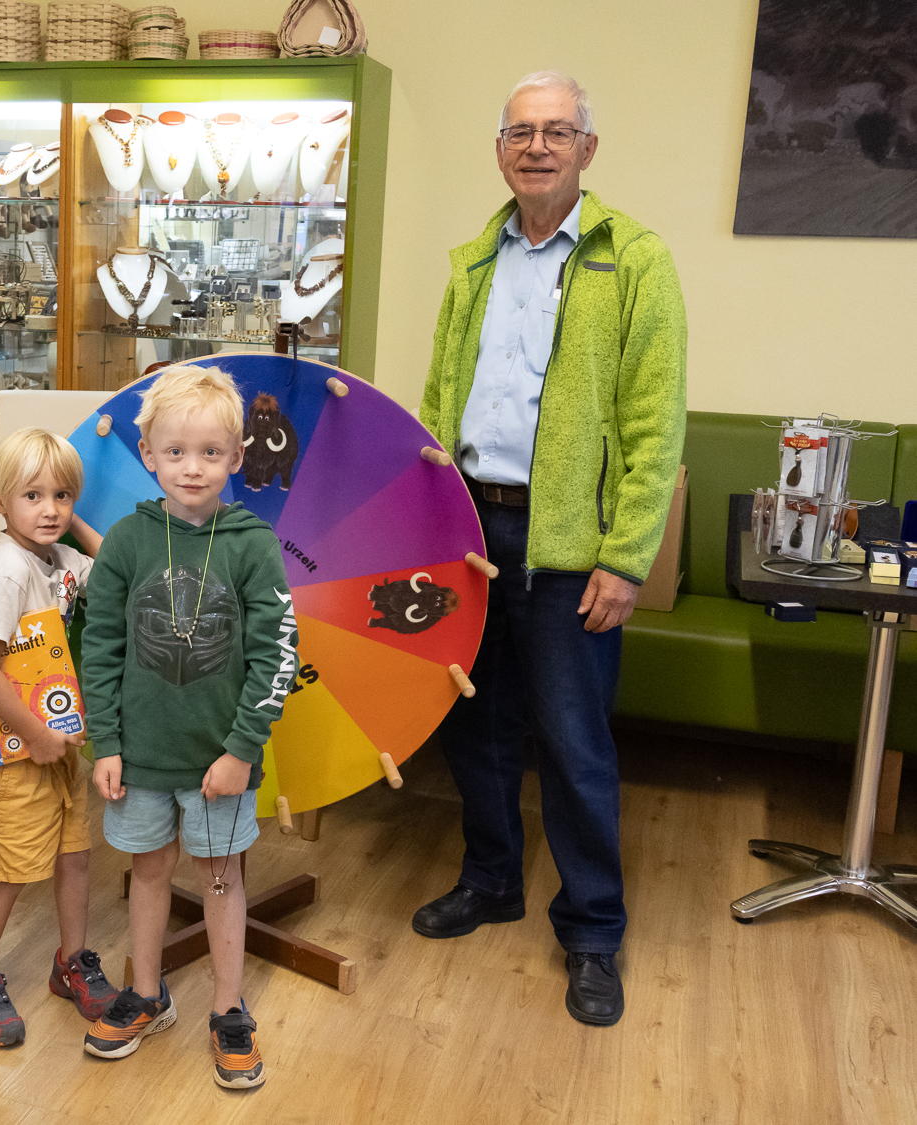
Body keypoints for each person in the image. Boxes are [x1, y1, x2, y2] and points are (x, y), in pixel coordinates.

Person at [414, 71, 687, 1027]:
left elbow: (655, 426)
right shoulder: (472, 261)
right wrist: (424, 523)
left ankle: (593, 932)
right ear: (500, 149)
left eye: (557, 131)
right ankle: (490, 879)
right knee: (473, 723)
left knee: (574, 743)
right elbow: (439, 406)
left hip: (572, 542)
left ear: (588, 150)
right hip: (466, 532)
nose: (537, 146)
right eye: (521, 132)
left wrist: (626, 556)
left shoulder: (636, 261)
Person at [81, 365, 296, 1090]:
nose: (193, 467)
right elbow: (100, 647)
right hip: (139, 757)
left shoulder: (253, 544)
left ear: (237, 457)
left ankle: (229, 1010)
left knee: (220, 878)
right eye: (176, 452)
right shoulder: (125, 543)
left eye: (210, 452)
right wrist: (105, 743)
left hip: (218, 764)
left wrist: (241, 750)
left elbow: (277, 655)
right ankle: (146, 991)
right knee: (147, 870)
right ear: (148, 454)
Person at [0, 427, 121, 1046]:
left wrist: (75, 526)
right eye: (32, 496)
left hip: (53, 742)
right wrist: (39, 734)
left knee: (74, 855)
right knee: (14, 868)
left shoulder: (59, 559)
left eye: (62, 497)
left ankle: (70, 961)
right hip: (12, 748)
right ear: (0, 501)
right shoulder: (6, 571)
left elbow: (118, 569)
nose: (49, 510)